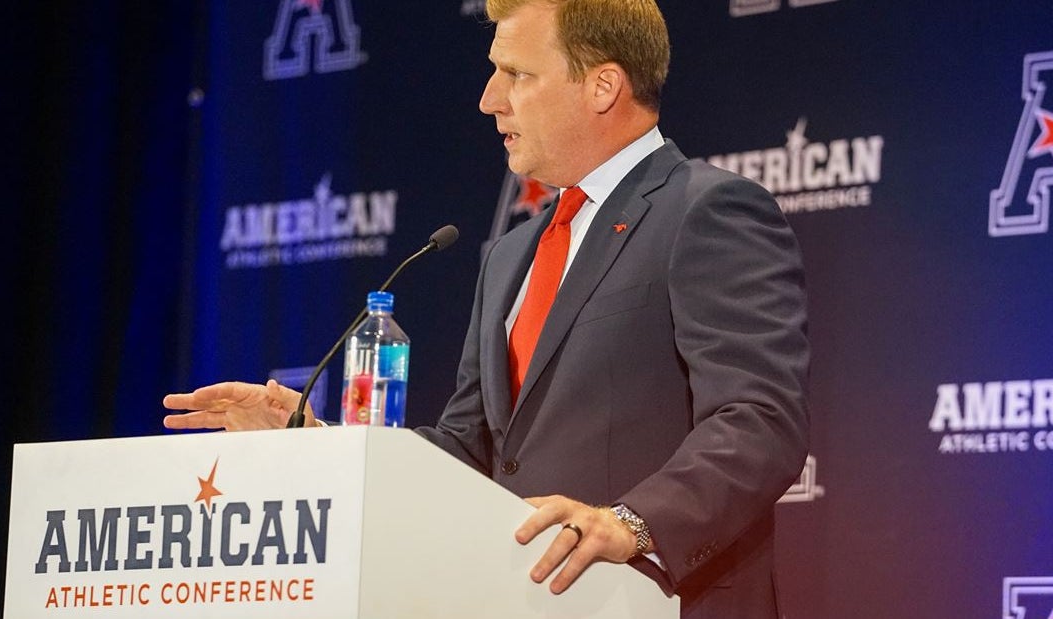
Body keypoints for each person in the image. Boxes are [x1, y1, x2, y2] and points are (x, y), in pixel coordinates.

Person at [163, 1, 809, 617]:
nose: (488, 99)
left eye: (517, 74)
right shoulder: (511, 253)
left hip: (664, 602)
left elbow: (759, 420)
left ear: (603, 86)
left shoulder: (707, 212)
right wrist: (318, 441)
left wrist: (630, 523)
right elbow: (467, 451)